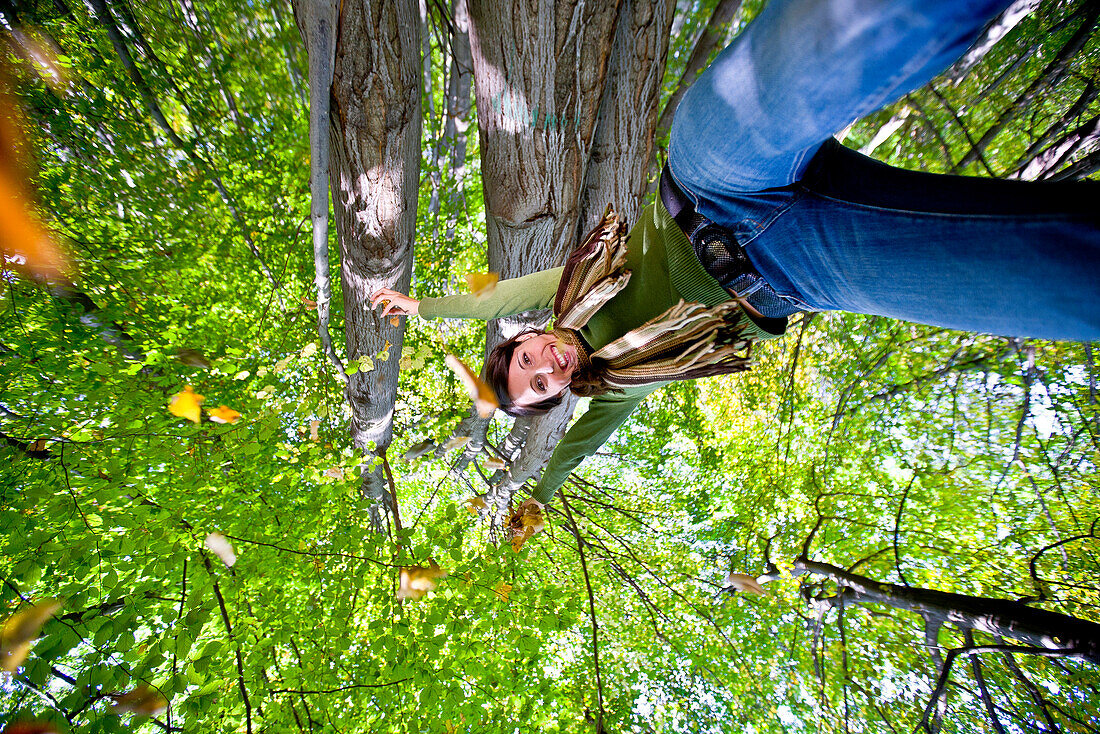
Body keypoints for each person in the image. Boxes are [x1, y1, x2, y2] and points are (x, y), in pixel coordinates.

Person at [371, 0, 1100, 505]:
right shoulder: (620, 386)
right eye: (539, 387)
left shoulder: (568, 287)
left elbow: (495, 297)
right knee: (1056, 277)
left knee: (840, 33)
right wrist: (539, 496)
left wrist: (426, 305)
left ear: (532, 336)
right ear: (559, 396)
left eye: (528, 357)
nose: (543, 367)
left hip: (713, 183)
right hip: (794, 271)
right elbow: (573, 450)